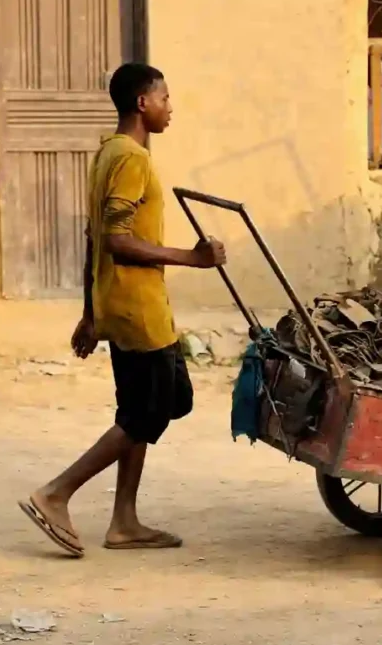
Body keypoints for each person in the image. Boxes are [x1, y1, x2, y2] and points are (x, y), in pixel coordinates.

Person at [18, 63, 226, 557]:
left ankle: (125, 521)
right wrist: (192, 259)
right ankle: (55, 493)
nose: (170, 107)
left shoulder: (106, 153)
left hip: (121, 304)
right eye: (165, 98)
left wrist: (91, 313)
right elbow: (115, 240)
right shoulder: (131, 159)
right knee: (149, 409)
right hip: (139, 308)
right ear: (142, 104)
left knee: (162, 401)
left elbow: (94, 237)